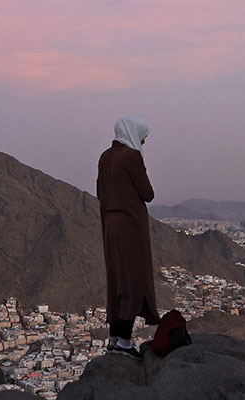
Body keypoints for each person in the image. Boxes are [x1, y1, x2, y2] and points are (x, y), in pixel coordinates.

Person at [96, 116, 160, 360]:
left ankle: (114, 338)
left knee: (117, 280)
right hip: (130, 227)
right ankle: (124, 341)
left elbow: (100, 190)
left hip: (110, 225)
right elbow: (148, 193)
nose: (143, 141)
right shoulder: (132, 157)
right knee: (132, 280)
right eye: (143, 135)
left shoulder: (105, 156)